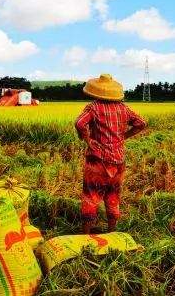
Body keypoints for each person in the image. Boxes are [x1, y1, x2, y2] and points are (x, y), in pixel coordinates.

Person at [75, 74, 147, 234]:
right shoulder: (123, 108)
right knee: (113, 195)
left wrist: (87, 140)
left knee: (91, 196)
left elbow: (79, 123)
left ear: (96, 92)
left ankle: (85, 236)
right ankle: (112, 232)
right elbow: (142, 123)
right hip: (118, 162)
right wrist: (124, 136)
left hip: (98, 161)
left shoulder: (93, 107)